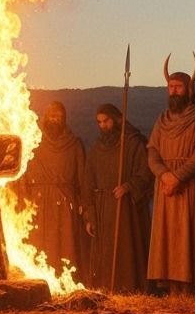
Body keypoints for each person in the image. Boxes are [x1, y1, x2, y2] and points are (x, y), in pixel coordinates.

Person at [146, 57, 195, 295]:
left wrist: (177, 177)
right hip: (166, 187)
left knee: (191, 236)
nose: (174, 91)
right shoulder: (162, 120)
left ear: (189, 89)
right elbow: (152, 151)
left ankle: (192, 292)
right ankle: (172, 289)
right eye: (171, 87)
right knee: (168, 240)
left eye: (179, 87)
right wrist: (164, 175)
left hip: (189, 186)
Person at [84, 103, 153, 293]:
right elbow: (88, 183)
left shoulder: (133, 144)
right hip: (102, 208)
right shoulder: (96, 149)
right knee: (104, 251)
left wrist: (128, 186)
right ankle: (106, 290)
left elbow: (146, 173)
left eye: (106, 121)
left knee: (126, 250)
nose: (103, 125)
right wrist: (90, 215)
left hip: (125, 209)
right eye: (99, 122)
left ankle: (129, 288)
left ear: (116, 119)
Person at [16, 101, 90, 279]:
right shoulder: (33, 142)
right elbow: (23, 173)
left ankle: (65, 281)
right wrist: (23, 199)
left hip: (65, 203)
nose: (56, 120)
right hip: (38, 204)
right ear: (46, 117)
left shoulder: (74, 144)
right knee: (39, 244)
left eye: (59, 117)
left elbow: (83, 179)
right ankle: (38, 279)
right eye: (52, 116)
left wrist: (84, 205)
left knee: (65, 245)